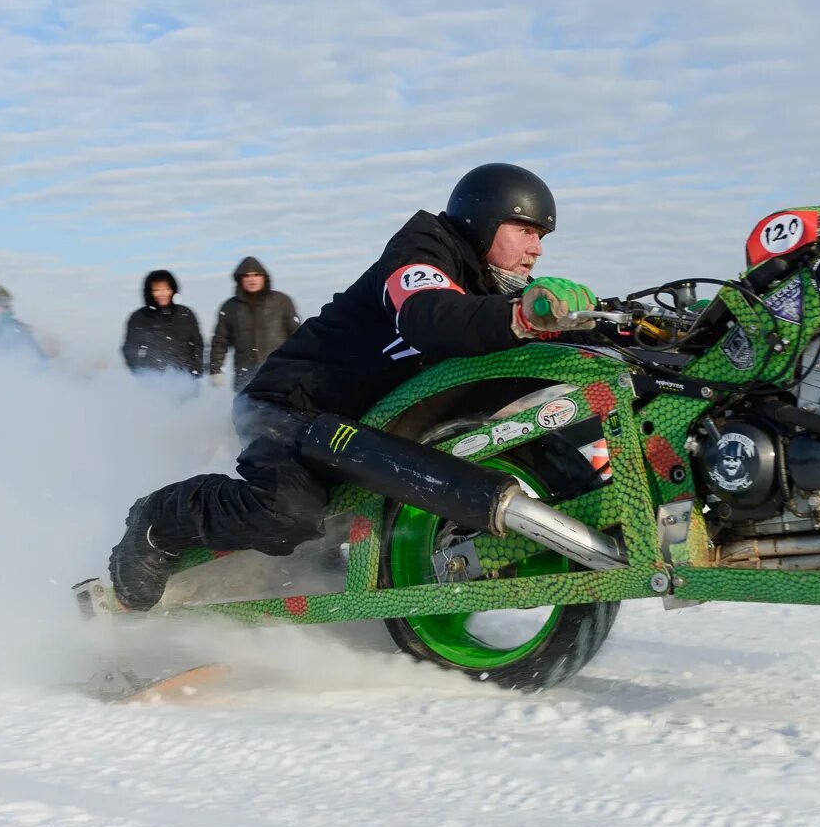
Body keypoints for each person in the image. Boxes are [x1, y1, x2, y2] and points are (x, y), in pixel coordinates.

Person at [107, 163, 597, 611]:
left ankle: (340, 583)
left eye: (542, 236)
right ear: (484, 221)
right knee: (288, 514)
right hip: (291, 407)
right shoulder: (422, 251)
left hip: (368, 426)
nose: (537, 249)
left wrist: (623, 324)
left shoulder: (490, 288)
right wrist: (520, 316)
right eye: (526, 230)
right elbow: (428, 315)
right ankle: (156, 523)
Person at [208, 257, 299, 391]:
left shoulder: (281, 302)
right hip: (245, 376)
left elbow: (297, 336)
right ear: (240, 279)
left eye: (256, 275)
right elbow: (220, 341)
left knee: (278, 411)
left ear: (264, 277)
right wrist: (215, 370)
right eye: (246, 276)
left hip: (279, 373)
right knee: (245, 411)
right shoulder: (230, 307)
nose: (252, 279)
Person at [123, 270, 205, 378]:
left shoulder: (185, 314)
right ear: (150, 292)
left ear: (173, 290)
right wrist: (143, 374)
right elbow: (130, 350)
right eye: (157, 290)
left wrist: (195, 370)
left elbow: (197, 344)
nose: (162, 293)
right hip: (154, 382)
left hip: (186, 380)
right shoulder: (140, 317)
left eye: (166, 289)